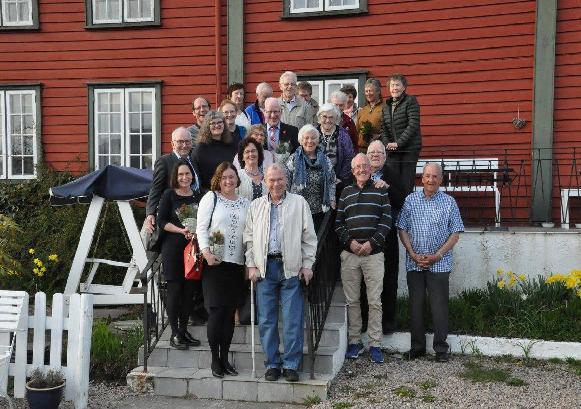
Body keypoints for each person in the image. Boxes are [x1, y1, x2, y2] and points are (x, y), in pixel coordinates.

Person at [243, 163, 317, 382]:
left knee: (293, 318)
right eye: (271, 179)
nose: (275, 183)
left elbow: (309, 238)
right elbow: (248, 238)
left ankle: (291, 364)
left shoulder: (299, 203)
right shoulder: (256, 206)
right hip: (264, 268)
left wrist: (307, 264)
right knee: (266, 319)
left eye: (279, 179)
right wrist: (251, 264)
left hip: (290, 267)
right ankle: (273, 364)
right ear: (265, 181)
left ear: (286, 179)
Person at [396, 162, 464, 362]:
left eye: (435, 176)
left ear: (441, 179)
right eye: (427, 176)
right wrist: (412, 253)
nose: (431, 180)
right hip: (414, 262)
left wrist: (437, 255)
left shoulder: (449, 202)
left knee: (439, 306)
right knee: (415, 306)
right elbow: (402, 228)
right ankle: (417, 347)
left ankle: (441, 349)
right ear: (422, 178)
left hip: (439, 263)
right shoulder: (410, 200)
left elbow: (455, 233)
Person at [335, 153, 391, 364]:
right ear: (352, 170)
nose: (362, 169)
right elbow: (338, 223)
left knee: (375, 301)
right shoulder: (346, 193)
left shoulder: (380, 190)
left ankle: (375, 344)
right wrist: (351, 243)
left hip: (373, 255)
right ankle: (355, 341)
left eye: (365, 166)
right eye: (358, 167)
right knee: (352, 301)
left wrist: (371, 243)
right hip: (350, 255)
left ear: (371, 168)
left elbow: (386, 221)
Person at [196, 162, 250, 377]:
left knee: (229, 314)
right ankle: (215, 360)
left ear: (237, 179)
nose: (228, 181)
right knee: (217, 312)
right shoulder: (211, 198)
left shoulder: (246, 202)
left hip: (236, 265)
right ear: (219, 179)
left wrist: (249, 262)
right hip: (215, 264)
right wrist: (206, 253)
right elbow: (201, 228)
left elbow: (249, 233)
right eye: (224, 177)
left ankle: (225, 358)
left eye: (232, 177)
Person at [361, 140, 407, 335]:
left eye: (379, 152)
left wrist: (387, 187)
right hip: (365, 236)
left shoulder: (393, 174)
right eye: (371, 152)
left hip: (387, 235)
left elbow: (402, 199)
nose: (375, 155)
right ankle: (365, 322)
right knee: (365, 279)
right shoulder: (361, 174)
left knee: (389, 279)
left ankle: (388, 323)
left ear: (385, 156)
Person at [157, 160, 202, 350]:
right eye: (181, 174)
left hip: (193, 250)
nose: (185, 178)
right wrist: (181, 230)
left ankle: (184, 330)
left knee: (189, 293)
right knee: (175, 292)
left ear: (192, 176)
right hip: (173, 249)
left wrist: (196, 232)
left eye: (188, 174)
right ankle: (174, 333)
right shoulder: (169, 195)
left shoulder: (199, 197)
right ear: (175, 177)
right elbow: (162, 221)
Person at [145, 127, 201, 234]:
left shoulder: (193, 160)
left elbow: (198, 185)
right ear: (172, 144)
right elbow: (156, 188)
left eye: (187, 141)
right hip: (174, 218)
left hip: (195, 217)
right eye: (180, 141)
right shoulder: (164, 161)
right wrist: (150, 213)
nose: (184, 145)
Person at [286, 124, 336, 231]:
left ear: (318, 141)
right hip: (297, 209)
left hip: (319, 210)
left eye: (313, 138)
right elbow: (287, 181)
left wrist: (331, 199)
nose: (310, 141)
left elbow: (332, 181)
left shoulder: (325, 160)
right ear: (300, 140)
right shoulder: (293, 159)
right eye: (306, 138)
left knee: (316, 242)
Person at [381, 74, 422, 194]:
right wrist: (387, 144)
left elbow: (413, 125)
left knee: (406, 182)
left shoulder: (411, 101)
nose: (394, 88)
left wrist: (398, 143)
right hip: (392, 150)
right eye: (392, 85)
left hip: (409, 149)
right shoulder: (386, 105)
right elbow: (383, 128)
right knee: (391, 180)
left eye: (397, 85)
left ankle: (405, 210)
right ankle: (394, 209)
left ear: (404, 87)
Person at [192, 110, 238, 191]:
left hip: (231, 190)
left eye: (220, 122)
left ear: (224, 124)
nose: (217, 125)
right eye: (213, 123)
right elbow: (196, 175)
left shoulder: (231, 144)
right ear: (207, 127)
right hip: (209, 192)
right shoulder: (200, 149)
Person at [315, 103, 355, 188]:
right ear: (319, 117)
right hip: (315, 180)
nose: (328, 120)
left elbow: (349, 157)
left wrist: (340, 178)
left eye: (331, 117)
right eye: (324, 117)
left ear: (336, 118)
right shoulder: (313, 132)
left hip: (337, 181)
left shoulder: (343, 134)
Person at [356, 78, 383, 153]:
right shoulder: (362, 110)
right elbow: (357, 131)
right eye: (366, 91)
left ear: (378, 91)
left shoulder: (385, 108)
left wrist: (379, 136)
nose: (368, 93)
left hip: (377, 149)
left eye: (370, 91)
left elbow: (389, 129)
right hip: (361, 149)